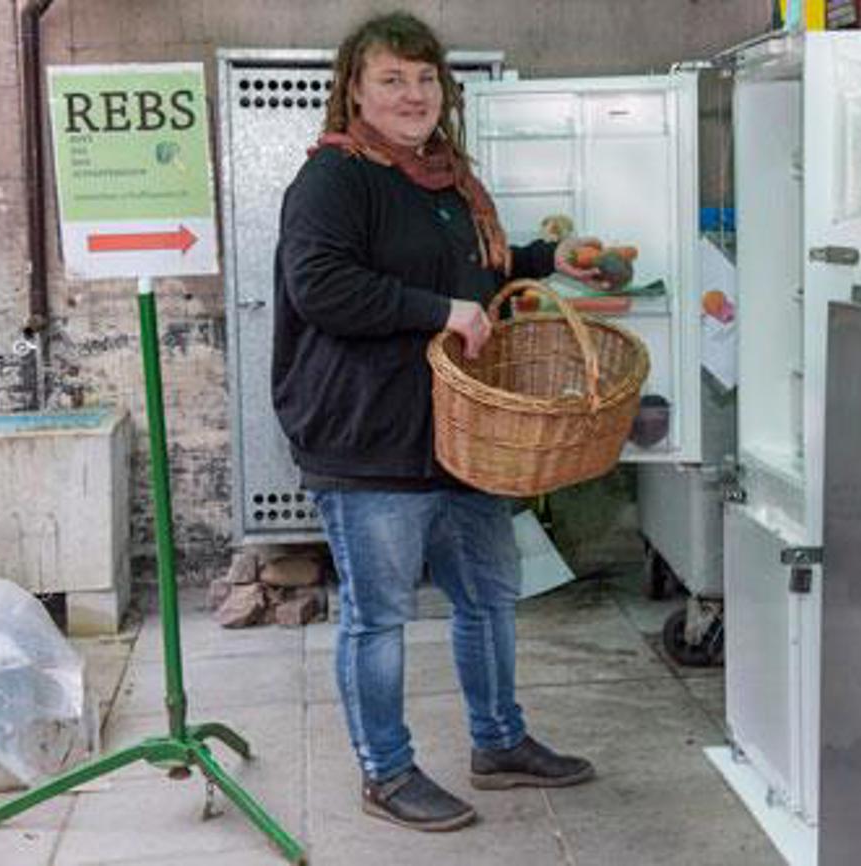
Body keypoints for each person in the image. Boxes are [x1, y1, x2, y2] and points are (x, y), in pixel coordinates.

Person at [272, 12, 602, 832]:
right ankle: (385, 772)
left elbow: (469, 270)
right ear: (355, 89)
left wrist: (537, 261)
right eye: (392, 79)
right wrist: (438, 310)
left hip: (459, 434)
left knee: (490, 596)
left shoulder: (448, 182)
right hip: (366, 435)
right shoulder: (335, 179)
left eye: (426, 80)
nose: (413, 95)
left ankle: (499, 742)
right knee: (379, 615)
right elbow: (321, 288)